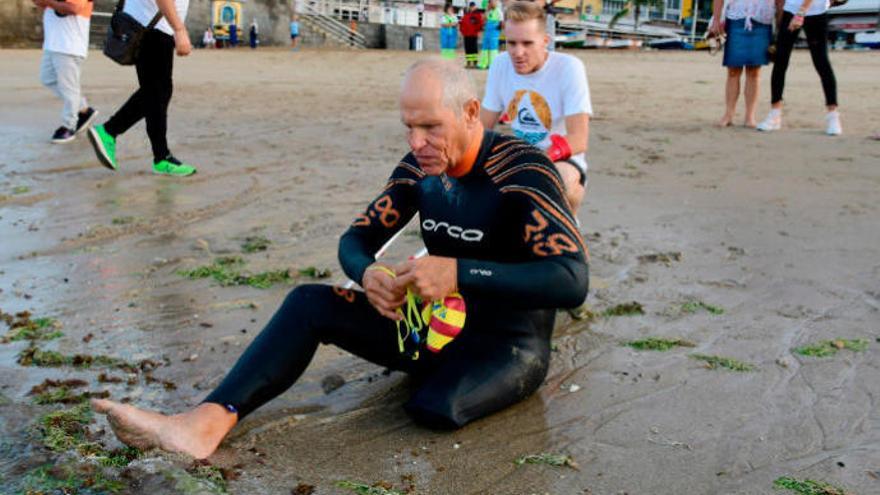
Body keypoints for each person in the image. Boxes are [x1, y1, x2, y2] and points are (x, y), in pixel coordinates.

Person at [92, 59, 589, 459]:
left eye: (431, 127)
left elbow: (570, 280)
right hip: (432, 325)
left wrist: (458, 271)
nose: (417, 143)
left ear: (470, 111)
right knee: (309, 303)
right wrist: (367, 272)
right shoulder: (420, 168)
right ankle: (204, 423)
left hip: (508, 344)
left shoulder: (522, 170)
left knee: (434, 408)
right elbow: (355, 239)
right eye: (409, 127)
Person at [479, 1, 592, 212]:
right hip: (519, 154)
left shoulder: (569, 68)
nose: (518, 52)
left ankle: (568, 225)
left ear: (545, 41)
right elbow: (482, 126)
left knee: (560, 182)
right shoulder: (500, 64)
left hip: (562, 158)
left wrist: (535, 163)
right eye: (511, 43)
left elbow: (579, 139)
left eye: (527, 43)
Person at [86, 0, 197, 177]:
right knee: (157, 91)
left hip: (151, 25)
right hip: (151, 27)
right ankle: (109, 131)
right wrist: (179, 29)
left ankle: (162, 157)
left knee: (157, 92)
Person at [756, 0, 842, 135]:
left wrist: (801, 13)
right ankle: (775, 113)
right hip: (791, 10)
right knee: (780, 62)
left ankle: (833, 115)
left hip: (816, 12)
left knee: (821, 62)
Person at [34, 0, 97, 144]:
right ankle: (83, 109)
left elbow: (73, 8)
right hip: (52, 43)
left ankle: (69, 126)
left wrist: (48, 2)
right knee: (47, 79)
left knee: (69, 88)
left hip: (69, 46)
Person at [709, 0, 775, 127]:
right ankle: (728, 114)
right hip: (735, 16)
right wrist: (716, 19)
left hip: (762, 18)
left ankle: (750, 116)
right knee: (733, 70)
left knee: (754, 71)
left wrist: (780, 21)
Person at [478, 0, 503, 69]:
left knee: (493, 49)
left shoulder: (498, 11)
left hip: (494, 33)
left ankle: (493, 65)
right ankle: (483, 63)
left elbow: (501, 22)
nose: (492, 4)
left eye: (493, 2)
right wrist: (487, 10)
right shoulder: (489, 10)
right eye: (491, 2)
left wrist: (499, 28)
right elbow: (484, 19)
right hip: (487, 32)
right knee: (484, 48)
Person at [459, 2, 484, 68]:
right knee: (468, 49)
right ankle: (469, 63)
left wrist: (479, 32)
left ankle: (475, 63)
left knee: (474, 49)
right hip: (466, 35)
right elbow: (462, 24)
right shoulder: (466, 14)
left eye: (473, 6)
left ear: (475, 7)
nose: (472, 7)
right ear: (469, 7)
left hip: (473, 35)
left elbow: (480, 24)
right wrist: (462, 32)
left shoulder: (478, 15)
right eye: (471, 6)